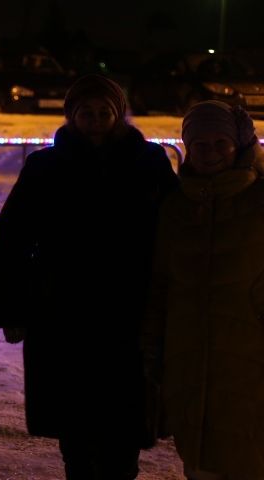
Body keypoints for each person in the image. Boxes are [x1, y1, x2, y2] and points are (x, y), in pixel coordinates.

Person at [0, 74, 178, 480]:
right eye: (85, 112)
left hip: (129, 307)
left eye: (103, 112)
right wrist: (12, 308)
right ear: (71, 116)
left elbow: (176, 230)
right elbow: (13, 237)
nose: (95, 120)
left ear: (118, 113)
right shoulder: (45, 166)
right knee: (74, 421)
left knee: (124, 418)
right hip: (62, 309)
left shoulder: (149, 163)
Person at [143, 101, 264, 480]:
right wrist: (154, 347)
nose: (210, 152)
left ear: (239, 145)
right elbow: (160, 283)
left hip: (250, 361)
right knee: (200, 461)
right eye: (200, 144)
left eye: (220, 142)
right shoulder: (176, 207)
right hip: (189, 360)